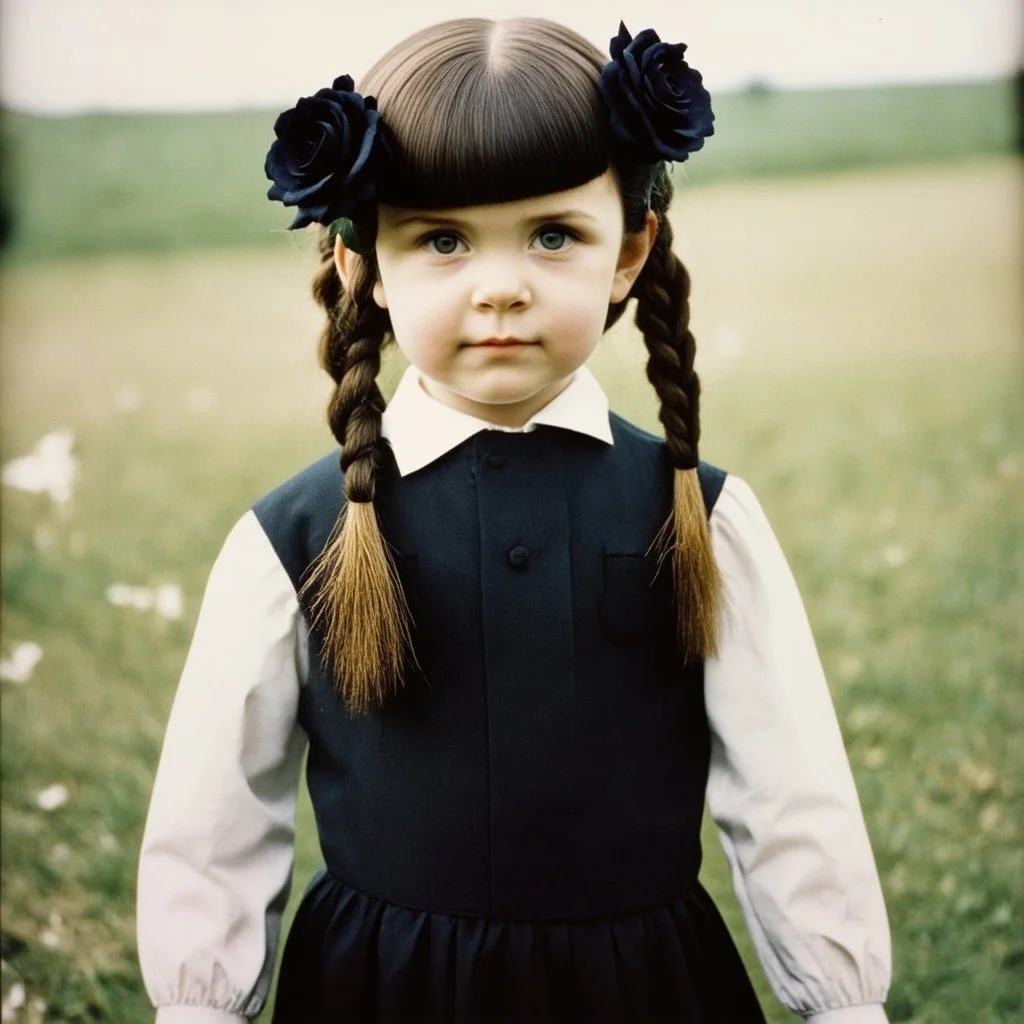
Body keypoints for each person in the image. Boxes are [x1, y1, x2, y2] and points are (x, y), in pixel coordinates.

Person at [136, 17, 891, 1024]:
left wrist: (842, 1003)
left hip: (643, 989)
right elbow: (214, 819)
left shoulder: (704, 515)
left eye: (552, 235)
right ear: (366, 263)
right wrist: (200, 1004)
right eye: (441, 240)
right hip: (383, 990)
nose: (502, 285)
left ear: (628, 252)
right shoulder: (294, 539)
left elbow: (792, 795)